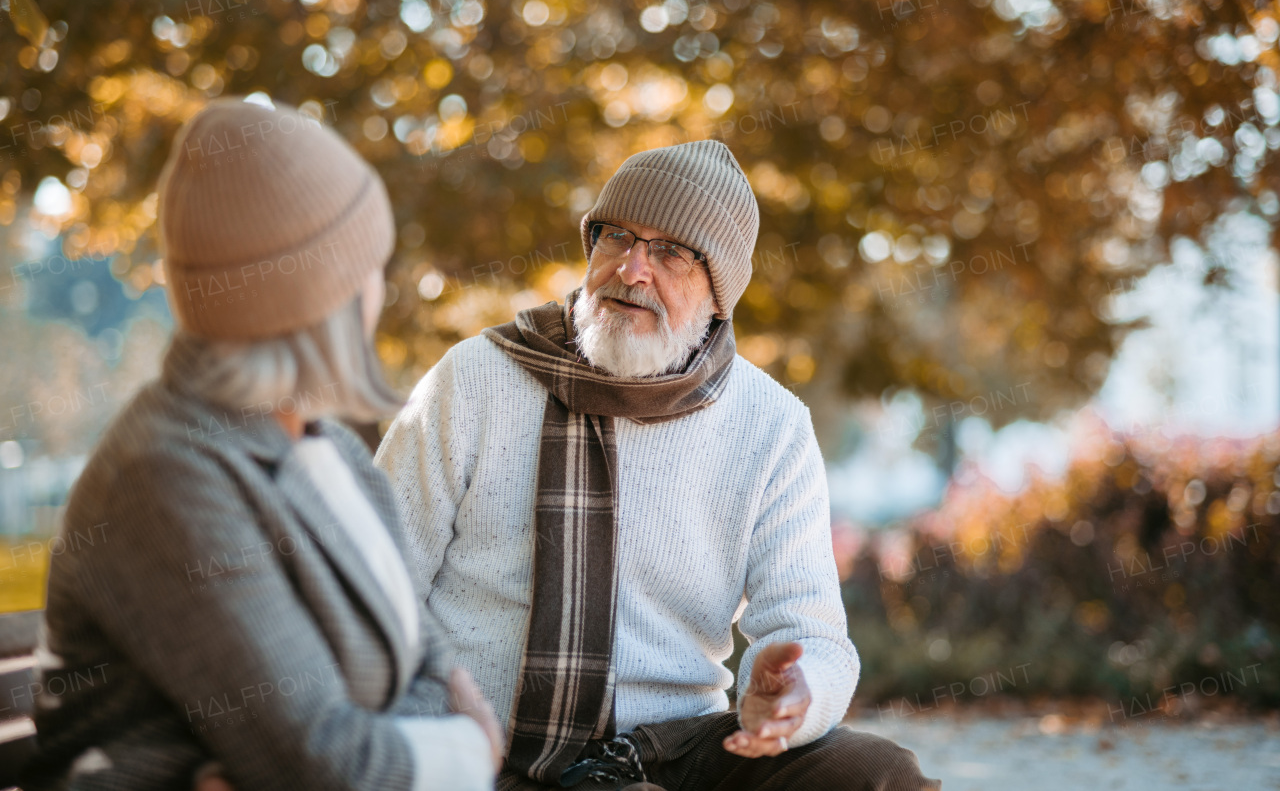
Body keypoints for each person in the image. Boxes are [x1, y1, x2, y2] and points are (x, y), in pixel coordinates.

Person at [376, 140, 940, 790]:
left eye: (672, 251)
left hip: (671, 753)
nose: (633, 268)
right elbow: (370, 583)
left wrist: (794, 698)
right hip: (484, 753)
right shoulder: (475, 378)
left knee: (879, 775)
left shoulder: (771, 424)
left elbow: (811, 630)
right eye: (617, 235)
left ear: (719, 293)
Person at [23, 100, 503, 791]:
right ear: (321, 300)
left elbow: (423, 662)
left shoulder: (332, 451)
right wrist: (466, 754)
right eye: (369, 265)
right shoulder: (165, 474)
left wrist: (417, 741)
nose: (381, 287)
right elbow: (317, 763)